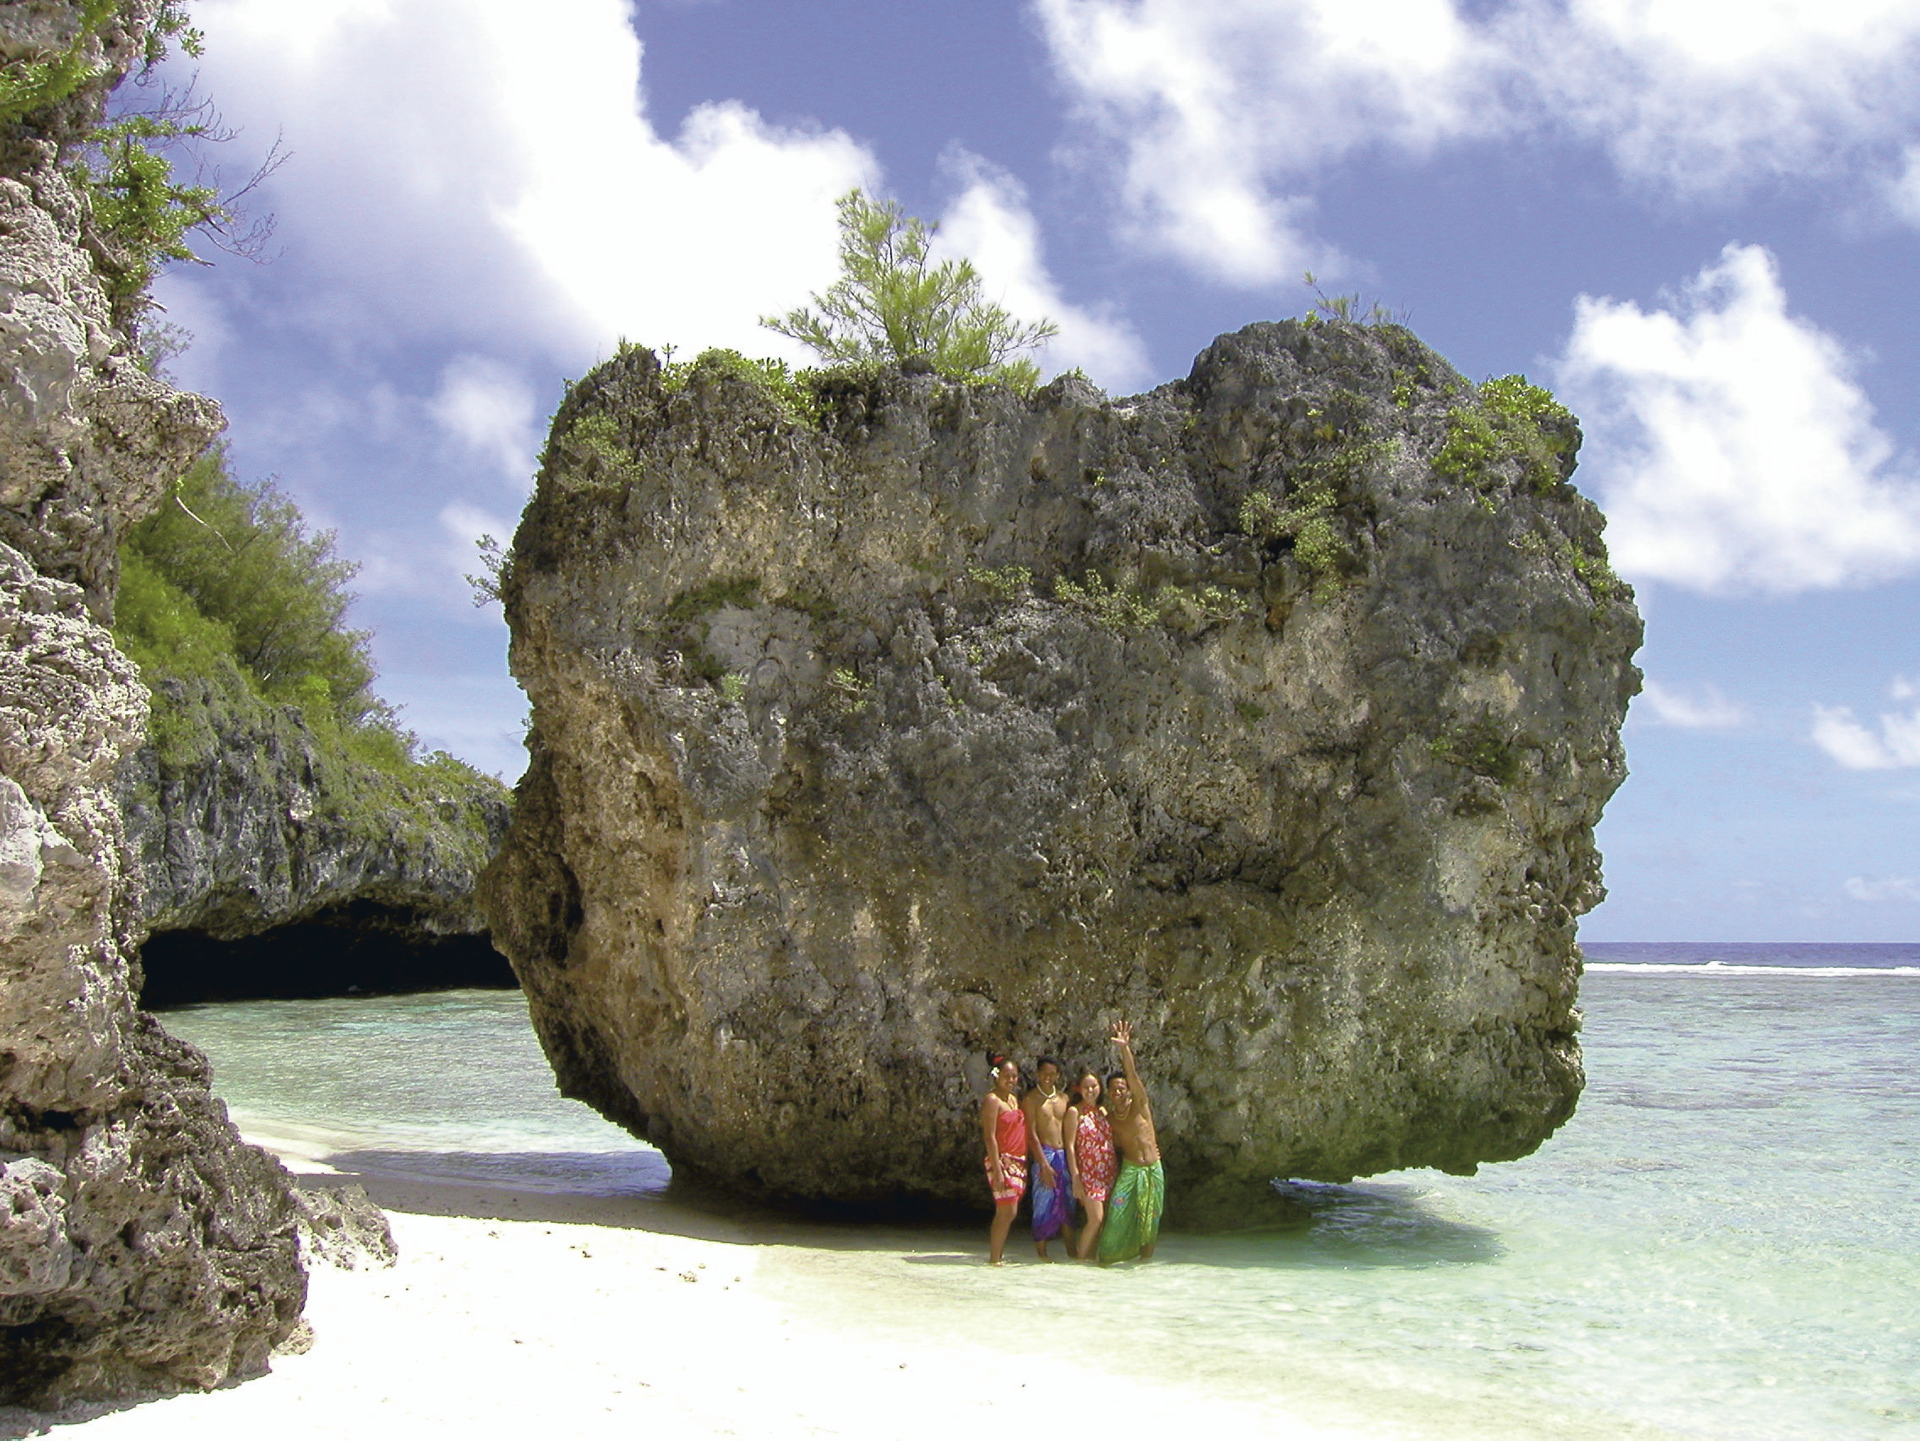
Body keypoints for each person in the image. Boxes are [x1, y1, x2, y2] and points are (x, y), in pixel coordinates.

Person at [1097, 1020, 1164, 1264]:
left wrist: (1124, 1048)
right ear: (1109, 1093)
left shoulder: (1140, 1105)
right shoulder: (1110, 1119)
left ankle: (1144, 1264)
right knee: (1117, 1213)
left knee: (1150, 1219)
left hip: (1153, 1169)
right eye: (1114, 1090)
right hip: (1130, 1169)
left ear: (1128, 1090)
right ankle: (1106, 1260)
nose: (1118, 1093)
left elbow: (1133, 1075)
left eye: (1122, 1089)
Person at [1023, 1056, 1074, 1260]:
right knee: (1042, 1203)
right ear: (1037, 1073)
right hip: (1045, 1155)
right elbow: (1031, 1134)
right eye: (1044, 1073)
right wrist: (1043, 1164)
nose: (1048, 1077)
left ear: (1058, 1075)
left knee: (1067, 1205)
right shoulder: (1031, 1099)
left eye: (1052, 1073)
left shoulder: (1063, 1099)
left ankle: (1072, 1253)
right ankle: (1042, 1255)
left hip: (1063, 1155)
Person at [979, 1054, 1027, 1264]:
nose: (1011, 1080)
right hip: (1001, 1161)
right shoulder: (992, 1100)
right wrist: (997, 1169)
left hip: (1018, 1161)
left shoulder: (1014, 1099)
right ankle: (994, 1259)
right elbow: (989, 1136)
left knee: (1009, 1211)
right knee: (1007, 1211)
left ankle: (997, 1257)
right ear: (997, 1076)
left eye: (1014, 1076)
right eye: (1007, 1076)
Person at [1065, 1068, 1116, 1261]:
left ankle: (1092, 1264)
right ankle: (1080, 1262)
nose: (1090, 1090)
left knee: (1102, 1223)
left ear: (1100, 1088)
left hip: (1108, 1172)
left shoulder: (1103, 1111)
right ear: (1079, 1089)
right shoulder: (1074, 1112)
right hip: (1087, 1174)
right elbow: (1070, 1147)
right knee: (1095, 1219)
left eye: (1094, 1086)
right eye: (1086, 1087)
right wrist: (1075, 1178)